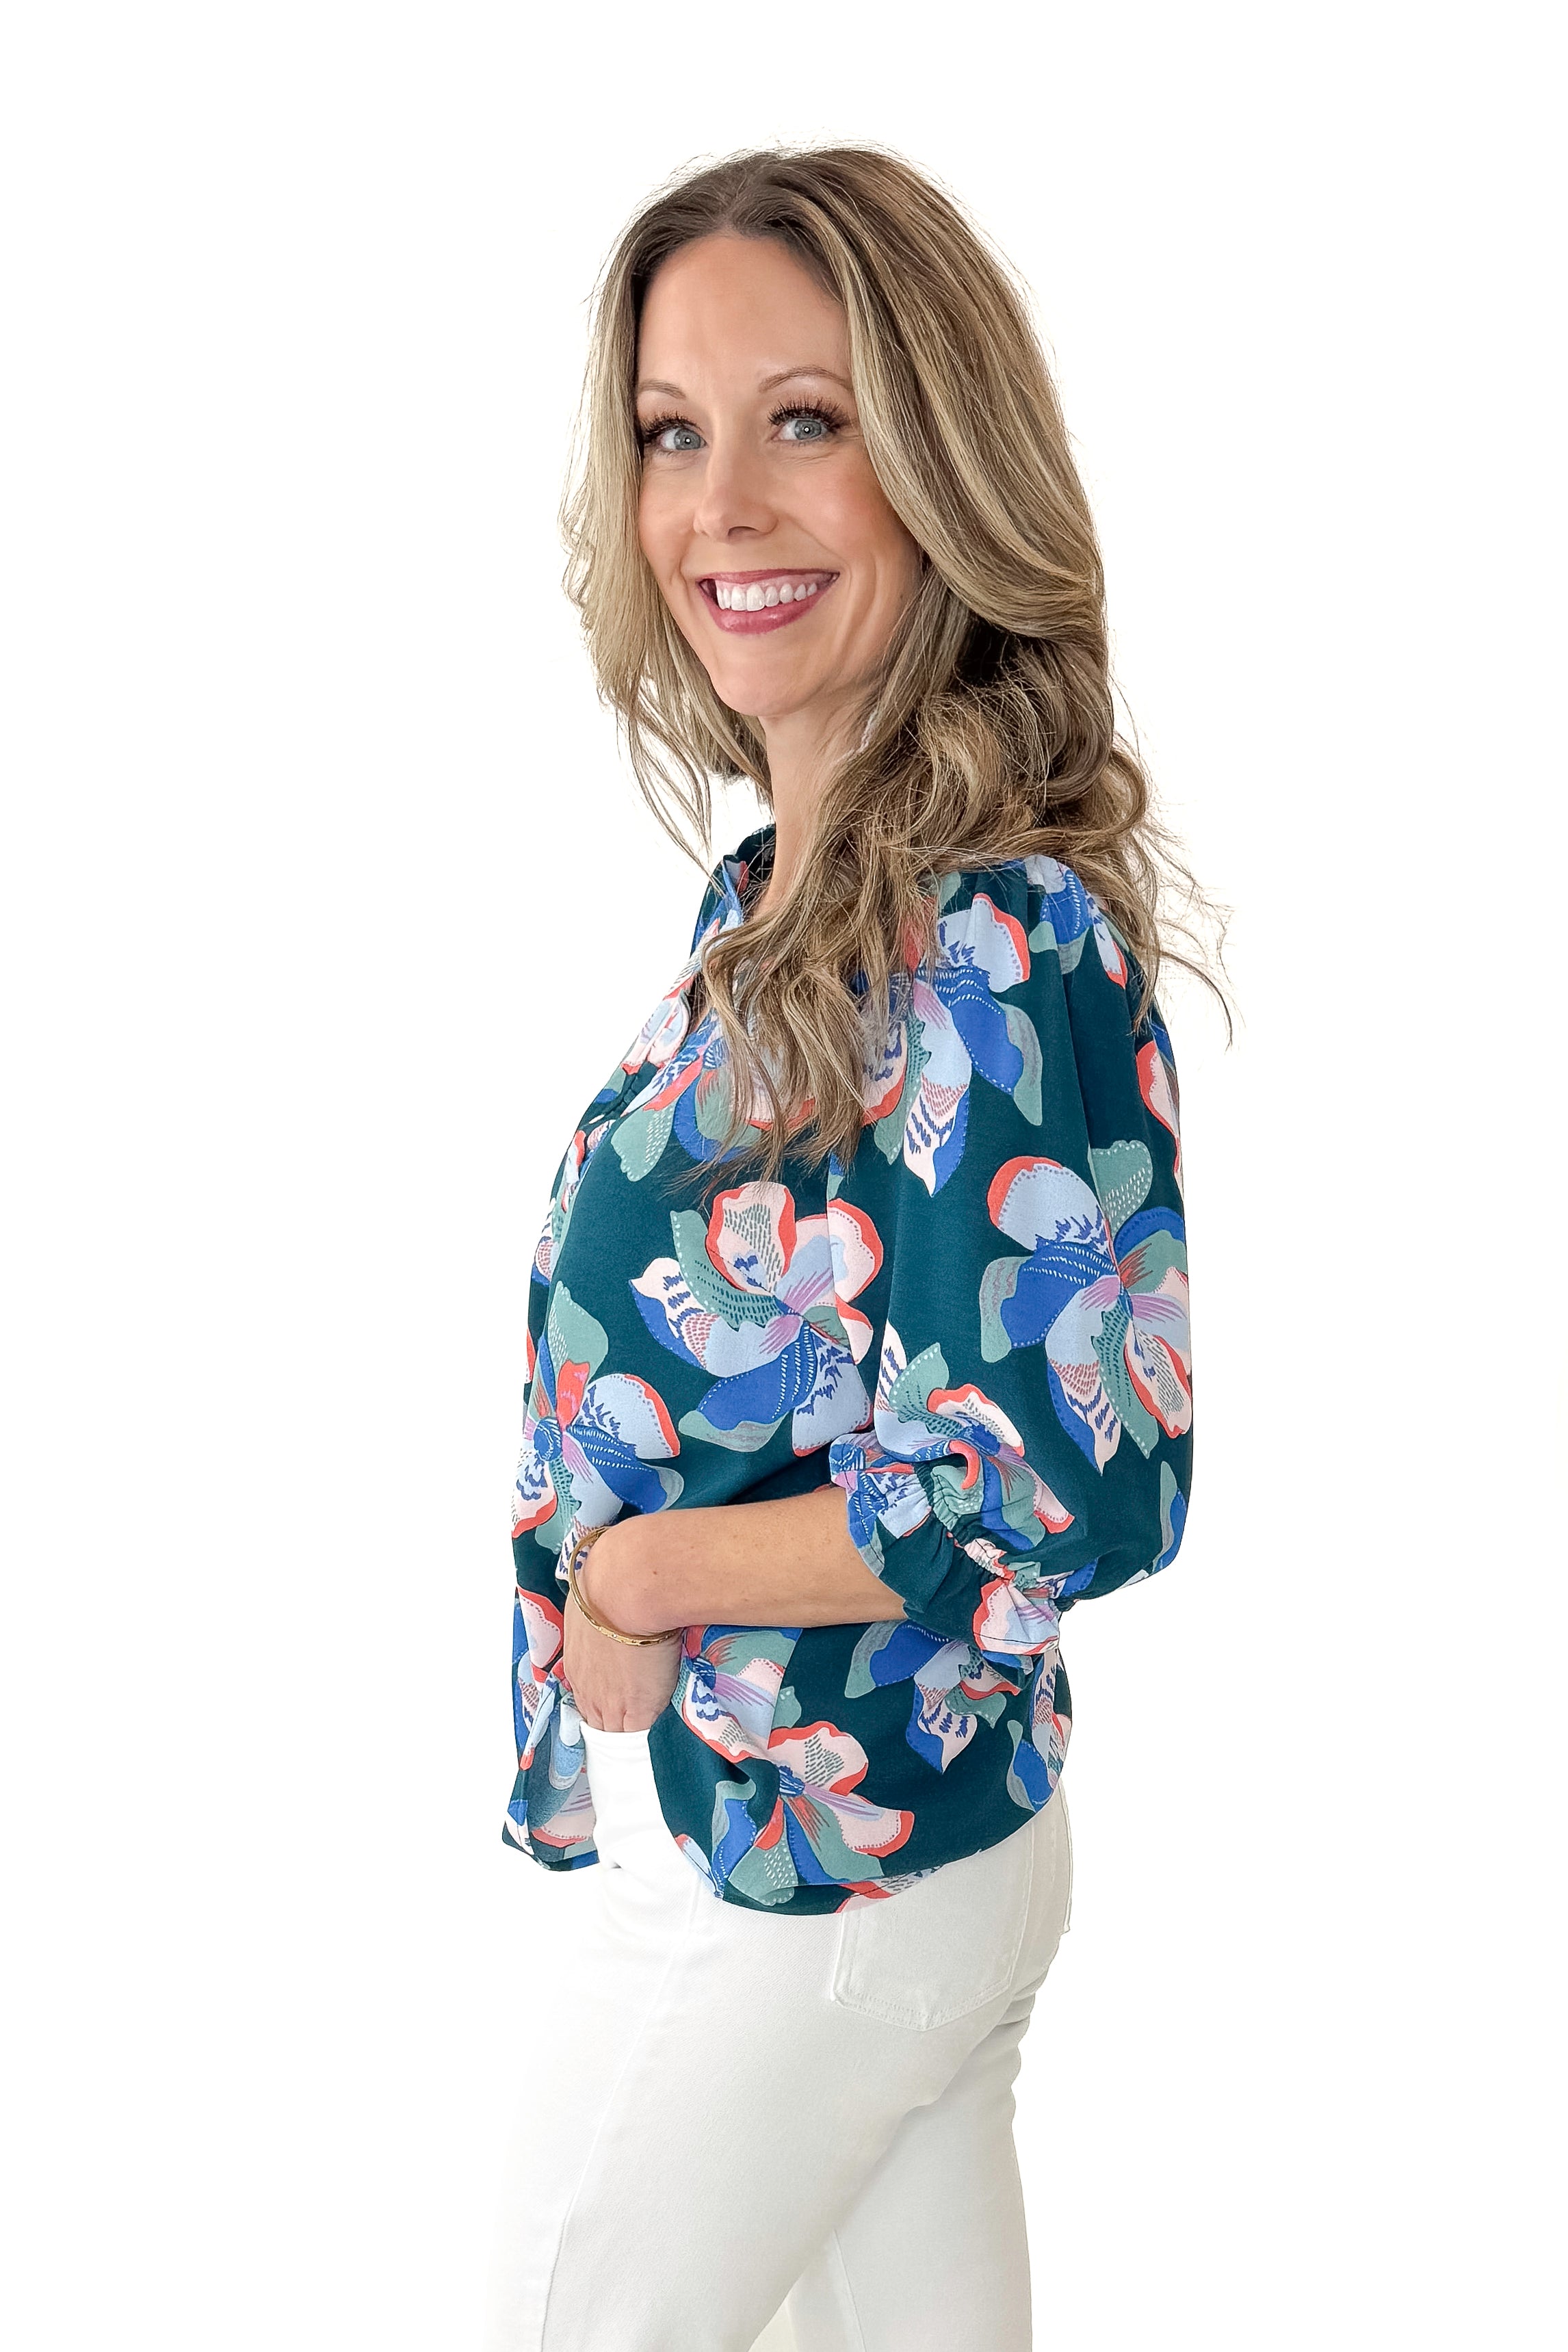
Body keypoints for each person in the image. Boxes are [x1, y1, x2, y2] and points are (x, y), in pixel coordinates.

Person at [485, 144, 1202, 2352]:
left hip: (856, 1873)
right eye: (672, 433)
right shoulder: (778, 903)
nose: (724, 504)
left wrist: (645, 1575)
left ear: (936, 457)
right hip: (848, 1842)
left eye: (808, 421)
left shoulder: (981, 934)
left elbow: (1076, 1482)